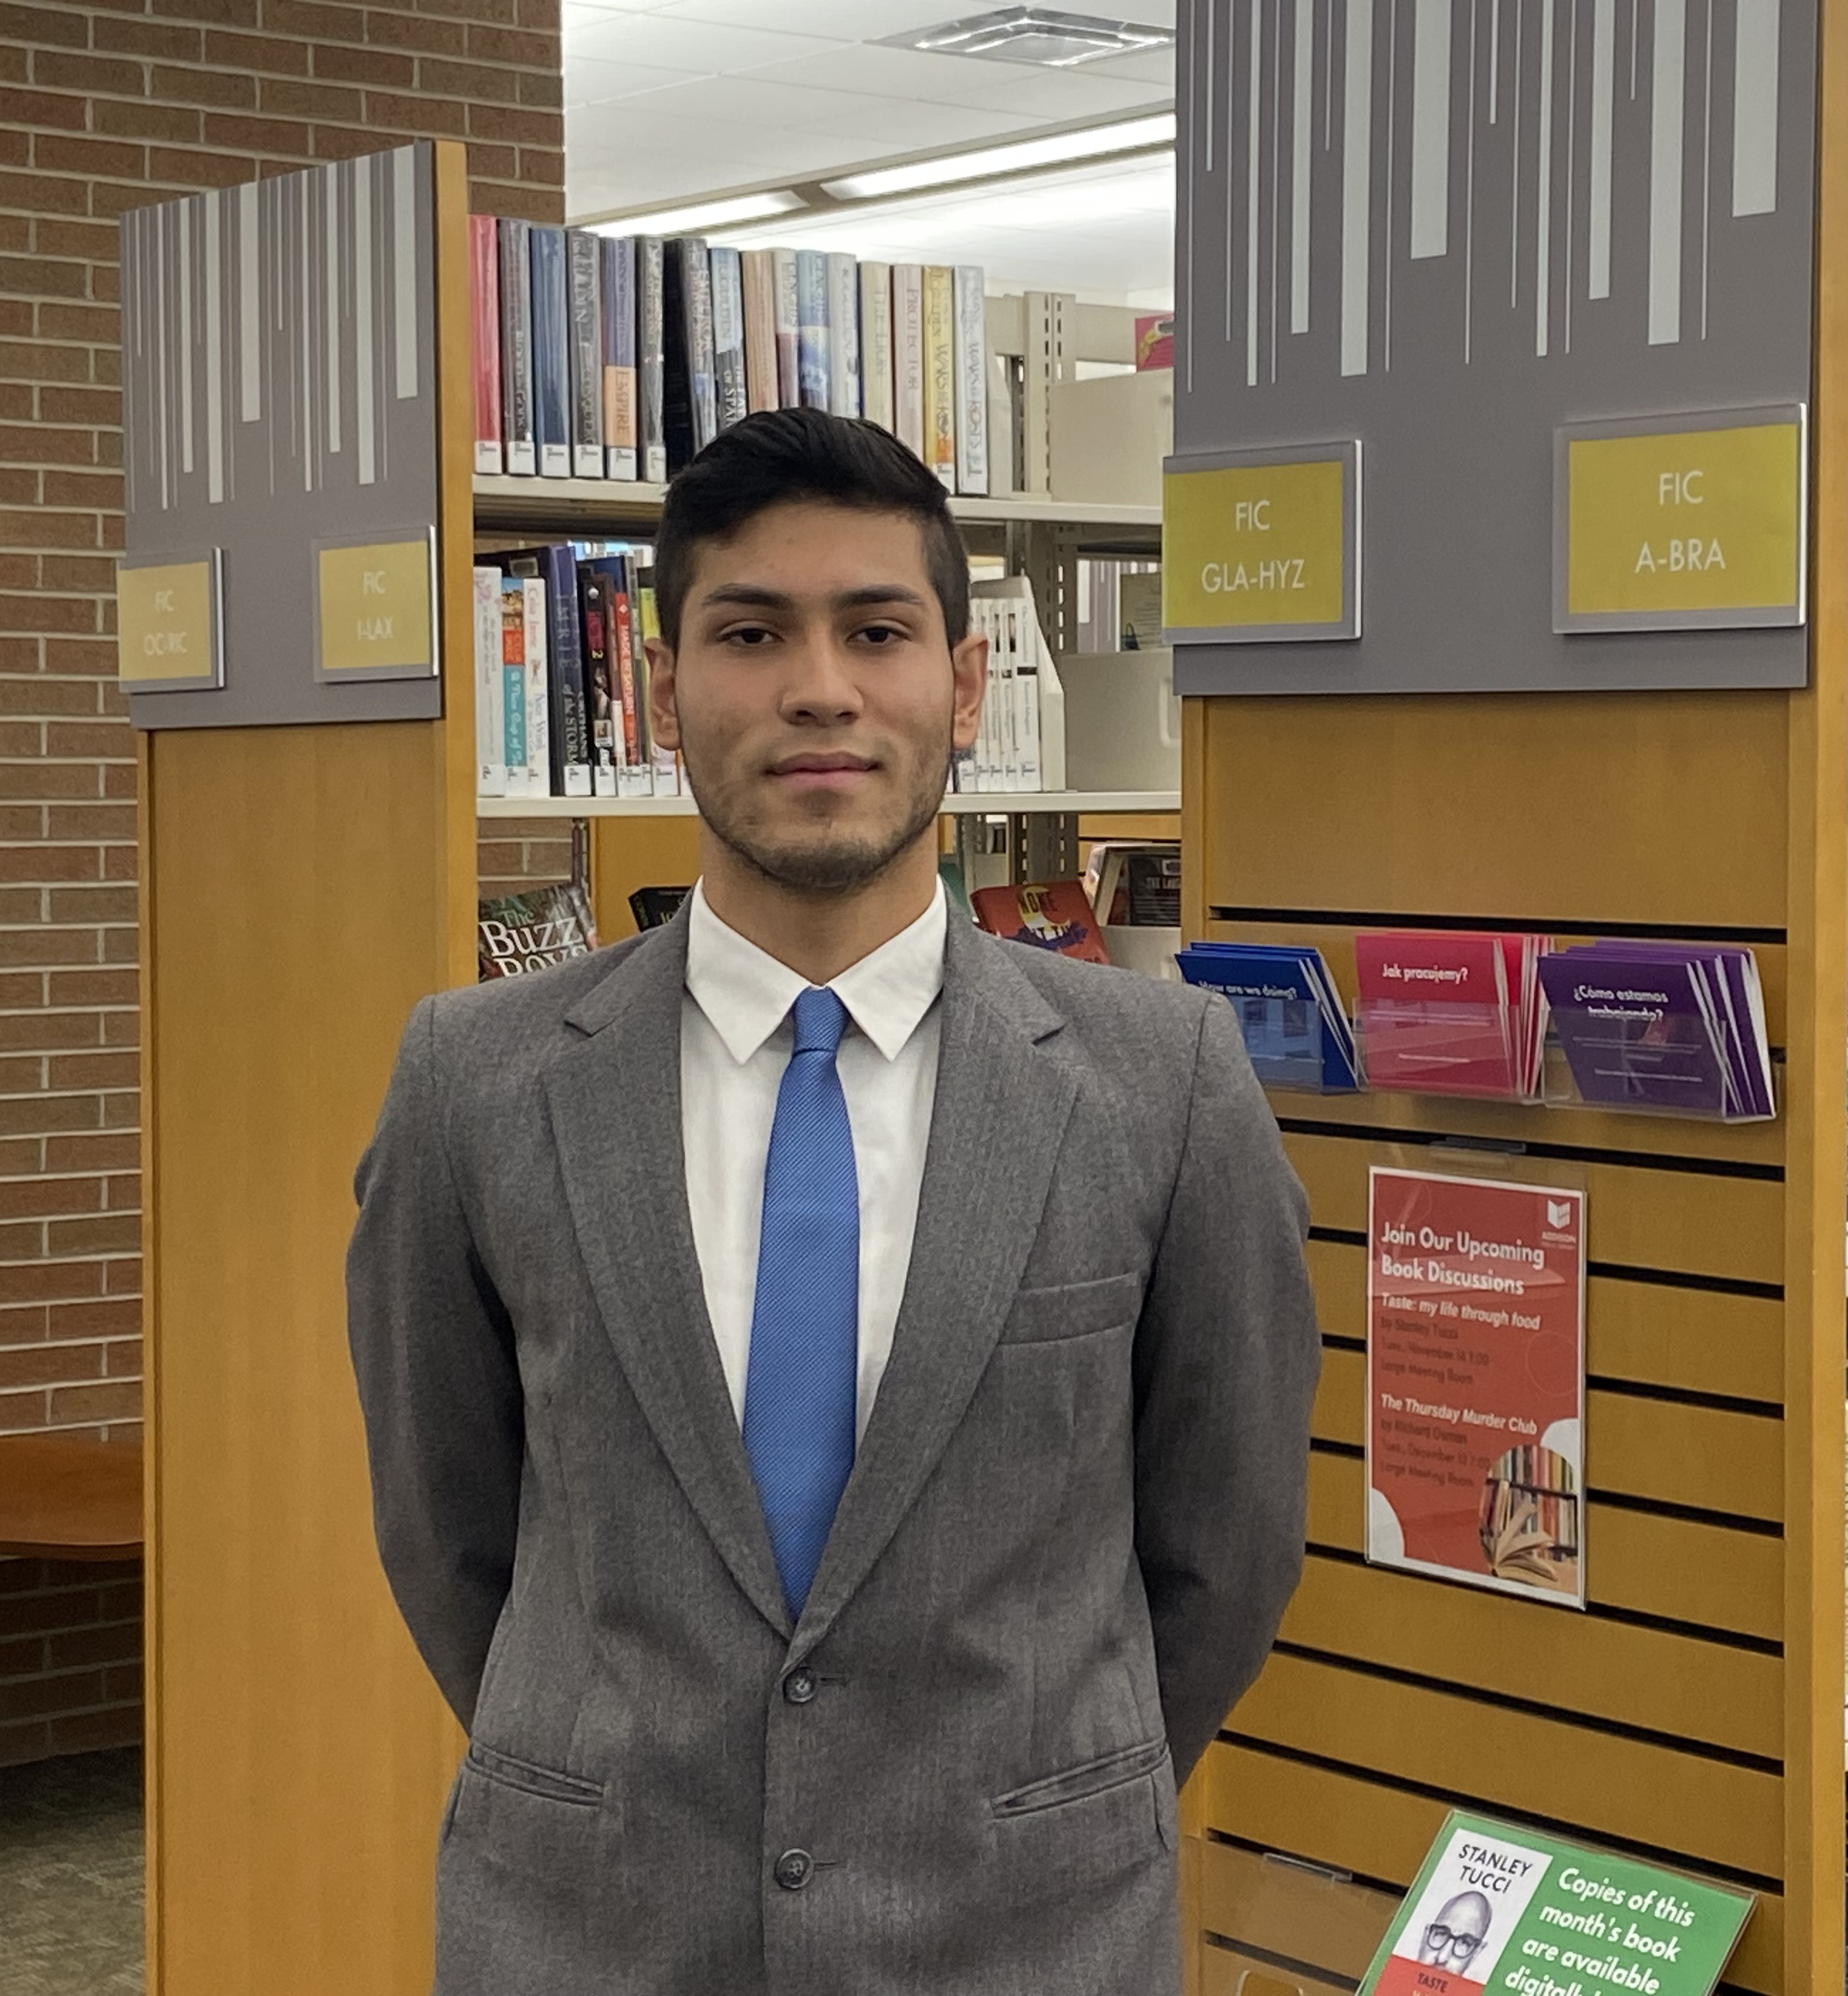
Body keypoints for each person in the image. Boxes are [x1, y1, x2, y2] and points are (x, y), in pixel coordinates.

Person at [345, 409, 1319, 1995]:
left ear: (965, 684)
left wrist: (1037, 1799)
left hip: (1030, 1934)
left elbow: (1227, 1546)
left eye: (879, 629)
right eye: (750, 633)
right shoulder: (477, 1082)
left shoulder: (1165, 1082)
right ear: (663, 691)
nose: (819, 687)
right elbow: (443, 1529)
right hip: (591, 1931)